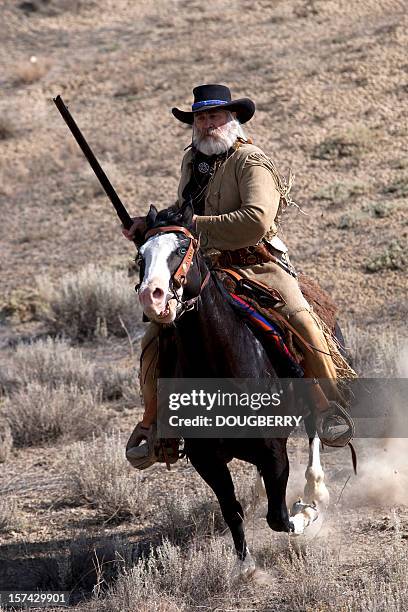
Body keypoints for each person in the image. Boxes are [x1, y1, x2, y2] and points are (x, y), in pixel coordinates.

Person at [124, 84, 355, 465]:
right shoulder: (192, 162)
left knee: (301, 319)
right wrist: (150, 226)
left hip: (257, 262)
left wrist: (192, 226)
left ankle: (329, 405)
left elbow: (256, 220)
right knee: (155, 335)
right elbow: (184, 208)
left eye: (214, 116)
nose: (206, 124)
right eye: (199, 117)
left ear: (233, 119)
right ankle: (153, 424)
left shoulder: (252, 161)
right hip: (208, 267)